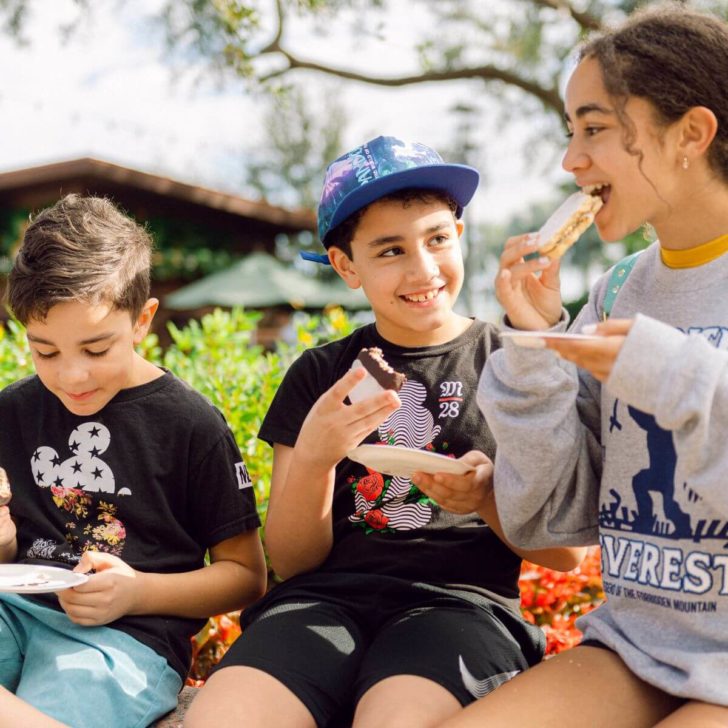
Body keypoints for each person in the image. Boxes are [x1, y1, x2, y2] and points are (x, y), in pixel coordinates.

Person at [184, 135, 586, 728]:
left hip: (462, 606)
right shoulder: (321, 374)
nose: (423, 268)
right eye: (390, 249)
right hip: (320, 602)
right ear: (347, 265)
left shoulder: (510, 360)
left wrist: (484, 498)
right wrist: (319, 457)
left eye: (437, 239)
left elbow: (566, 553)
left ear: (460, 234)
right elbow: (294, 561)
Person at [440, 5, 728, 728]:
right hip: (635, 646)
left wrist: (673, 373)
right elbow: (554, 521)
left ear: (691, 133)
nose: (571, 161)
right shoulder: (620, 289)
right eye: (571, 131)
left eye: (594, 128)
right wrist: (535, 345)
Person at [0, 194, 267, 728]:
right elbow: (10, 546)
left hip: (124, 642)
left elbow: (246, 577)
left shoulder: (191, 425)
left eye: (96, 349)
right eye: (45, 351)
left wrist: (138, 592)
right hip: (13, 611)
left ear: (143, 320)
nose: (71, 376)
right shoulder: (11, 411)